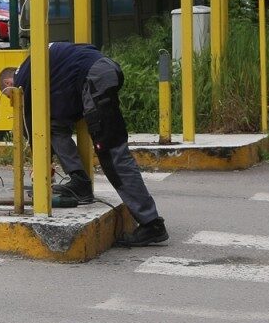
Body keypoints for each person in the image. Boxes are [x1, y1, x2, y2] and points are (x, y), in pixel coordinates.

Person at [12, 42, 167, 246]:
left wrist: (40, 166)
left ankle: (151, 223)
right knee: (55, 127)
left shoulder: (22, 80)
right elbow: (52, 122)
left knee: (111, 153)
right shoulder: (44, 61)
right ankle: (80, 182)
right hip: (102, 70)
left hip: (94, 78)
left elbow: (31, 127)